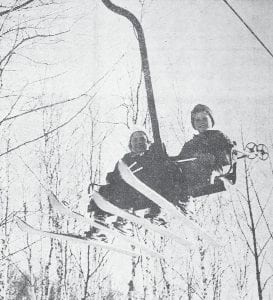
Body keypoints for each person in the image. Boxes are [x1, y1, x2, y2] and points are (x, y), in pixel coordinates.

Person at [88, 129, 188, 225]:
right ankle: (100, 223)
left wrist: (158, 149)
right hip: (130, 196)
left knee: (161, 177)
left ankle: (155, 212)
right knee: (105, 190)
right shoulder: (125, 160)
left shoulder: (153, 155)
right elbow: (114, 177)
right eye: (135, 140)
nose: (139, 142)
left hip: (149, 193)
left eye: (142, 139)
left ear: (148, 143)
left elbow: (165, 167)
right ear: (130, 144)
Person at [175, 104, 234, 197]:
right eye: (197, 120)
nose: (201, 122)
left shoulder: (218, 136)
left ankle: (213, 173)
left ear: (211, 120)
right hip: (192, 174)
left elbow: (227, 155)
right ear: (193, 123)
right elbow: (180, 160)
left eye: (204, 119)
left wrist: (211, 158)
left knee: (207, 159)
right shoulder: (190, 144)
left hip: (210, 168)